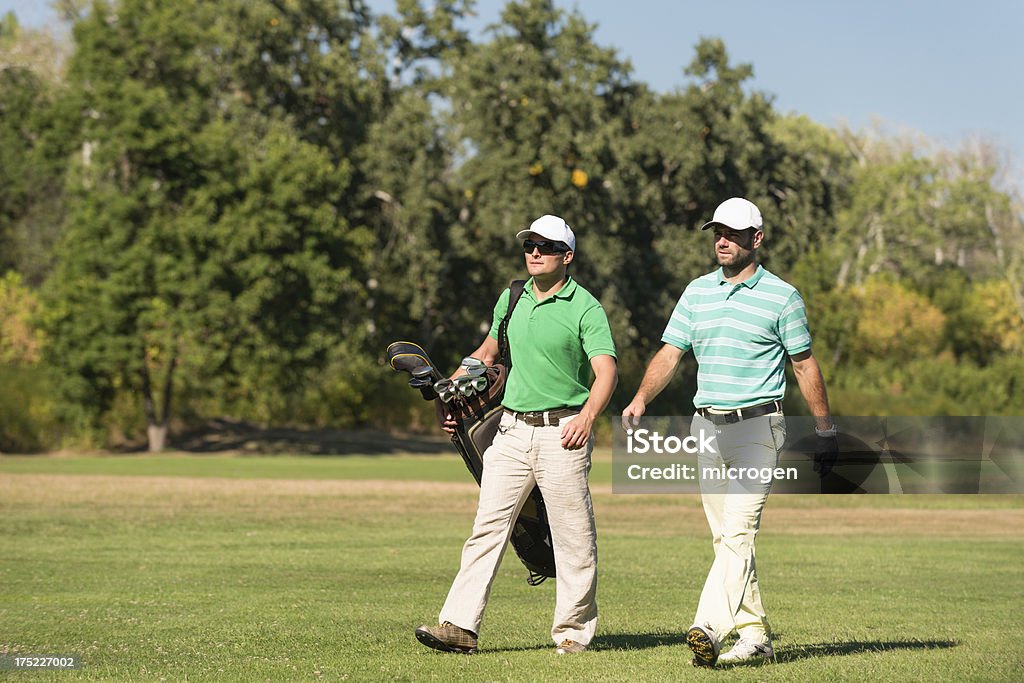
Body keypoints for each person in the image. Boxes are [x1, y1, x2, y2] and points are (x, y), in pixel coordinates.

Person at [622, 197, 838, 667]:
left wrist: (824, 430)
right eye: (717, 232)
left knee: (738, 533)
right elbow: (670, 353)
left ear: (756, 239)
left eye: (733, 233)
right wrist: (641, 397)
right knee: (726, 540)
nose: (722, 240)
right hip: (707, 428)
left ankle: (708, 627)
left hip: (759, 427)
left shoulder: (783, 296)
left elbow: (803, 364)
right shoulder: (697, 292)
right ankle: (756, 635)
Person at [415, 214, 618, 655]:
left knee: (572, 537)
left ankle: (572, 634)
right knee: (487, 528)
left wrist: (587, 417)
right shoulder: (511, 298)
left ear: (567, 256)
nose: (534, 253)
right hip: (511, 431)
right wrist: (449, 390)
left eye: (544, 247)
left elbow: (606, 371)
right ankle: (459, 627)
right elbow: (485, 353)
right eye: (529, 245)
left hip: (563, 432)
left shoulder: (585, 307)